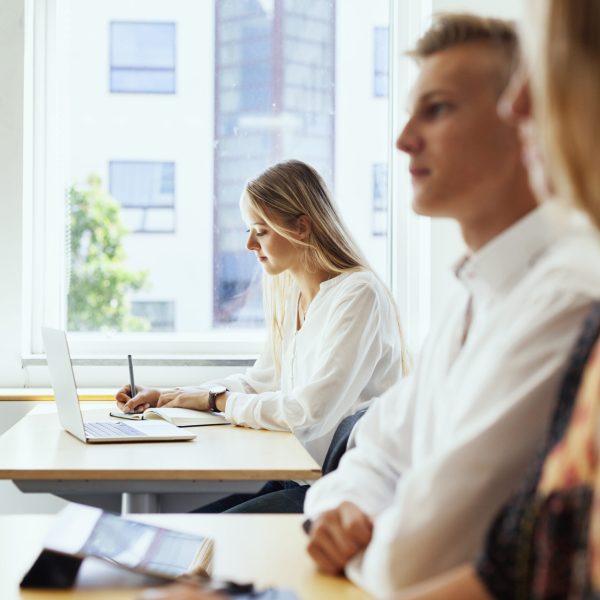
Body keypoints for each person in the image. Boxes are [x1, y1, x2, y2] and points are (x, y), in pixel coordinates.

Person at [302, 13, 600, 597]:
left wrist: (364, 543)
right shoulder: (470, 292)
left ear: (525, 125)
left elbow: (419, 562)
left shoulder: (569, 297)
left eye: (437, 110)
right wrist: (348, 513)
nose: (404, 138)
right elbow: (373, 455)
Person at [115, 159, 409, 511]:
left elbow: (306, 412)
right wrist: (170, 396)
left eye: (261, 230)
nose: (249, 245)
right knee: (183, 530)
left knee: (195, 539)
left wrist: (216, 401)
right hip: (300, 476)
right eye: (248, 230)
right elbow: (261, 382)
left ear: (301, 227)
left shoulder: (358, 295)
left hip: (339, 493)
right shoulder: (293, 294)